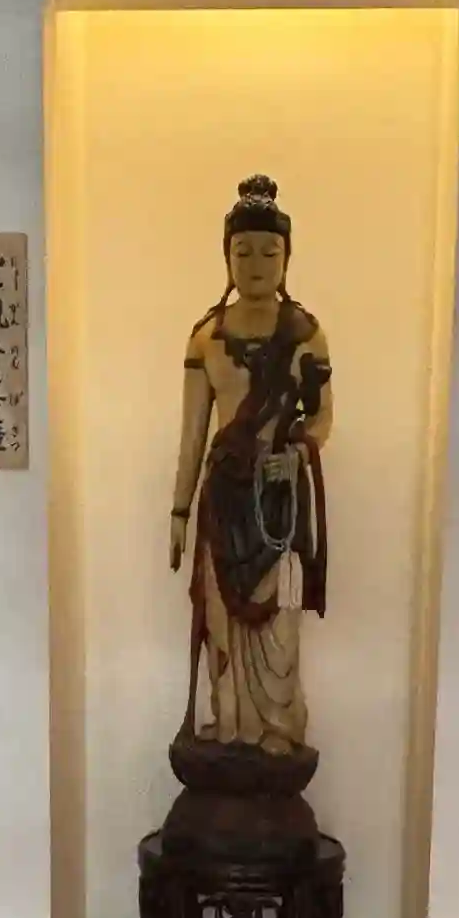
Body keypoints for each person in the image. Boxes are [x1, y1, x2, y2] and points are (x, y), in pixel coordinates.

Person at [169, 176, 333, 757]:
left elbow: (323, 418)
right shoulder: (207, 338)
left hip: (277, 500)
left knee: (278, 624)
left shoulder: (305, 334)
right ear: (227, 257)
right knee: (222, 619)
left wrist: (297, 451)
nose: (257, 264)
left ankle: (278, 727)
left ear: (287, 258)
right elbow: (192, 435)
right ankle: (233, 722)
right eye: (244, 252)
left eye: (269, 252)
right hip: (225, 495)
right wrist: (179, 512)